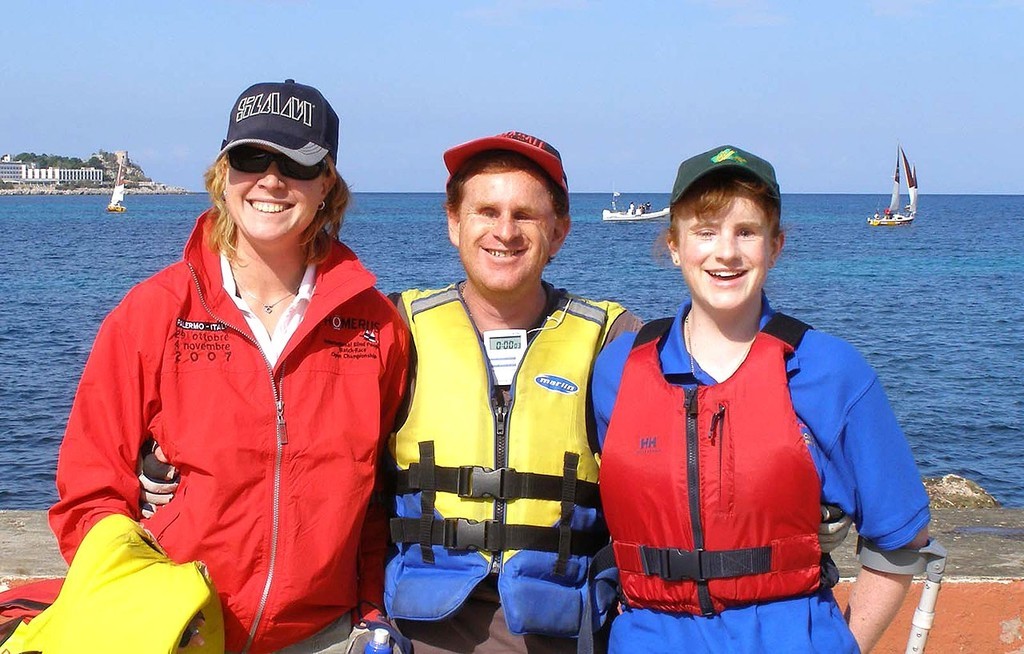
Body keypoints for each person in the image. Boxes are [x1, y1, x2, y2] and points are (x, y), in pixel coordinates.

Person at [47, 79, 410, 653]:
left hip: (323, 635)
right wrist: (144, 603)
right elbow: (88, 493)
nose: (270, 179)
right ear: (223, 175)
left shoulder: (376, 327)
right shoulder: (155, 312)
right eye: (249, 158)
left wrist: (371, 612)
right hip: (175, 631)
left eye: (295, 162)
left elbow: (378, 499)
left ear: (327, 185)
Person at [591, 145, 930, 653]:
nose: (725, 252)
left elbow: (903, 538)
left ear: (776, 246)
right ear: (675, 245)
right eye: (705, 231)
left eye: (746, 232)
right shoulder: (619, 370)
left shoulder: (830, 372)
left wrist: (843, 644)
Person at [384, 131, 641, 653]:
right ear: (454, 222)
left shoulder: (613, 340)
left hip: (563, 624)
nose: (505, 232)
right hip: (418, 627)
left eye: (525, 214)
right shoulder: (398, 329)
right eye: (486, 211)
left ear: (559, 231)